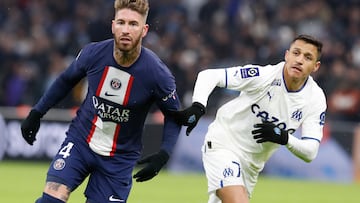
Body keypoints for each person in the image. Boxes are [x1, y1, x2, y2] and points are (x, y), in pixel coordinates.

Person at [20, 0, 181, 202]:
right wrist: (37, 113)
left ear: (144, 30)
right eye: (121, 22)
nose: (126, 30)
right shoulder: (93, 53)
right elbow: (65, 80)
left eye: (133, 24)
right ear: (113, 25)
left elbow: (174, 116)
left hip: (119, 158)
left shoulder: (157, 74)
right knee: (51, 199)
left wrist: (164, 154)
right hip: (81, 142)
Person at [171, 34, 326, 203]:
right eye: (296, 53)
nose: (300, 60)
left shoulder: (315, 99)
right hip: (224, 144)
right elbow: (208, 76)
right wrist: (198, 106)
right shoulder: (263, 76)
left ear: (315, 66)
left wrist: (284, 138)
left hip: (252, 166)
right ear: (287, 55)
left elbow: (311, 151)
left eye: (308, 57)